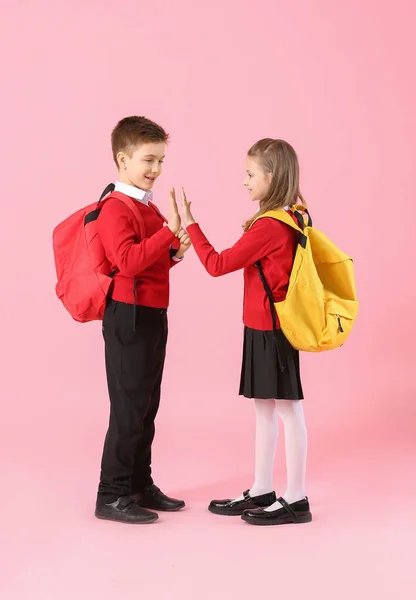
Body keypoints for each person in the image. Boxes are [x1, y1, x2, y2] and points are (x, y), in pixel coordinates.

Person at [178, 138, 312, 526]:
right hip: (263, 326)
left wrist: (190, 223)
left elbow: (218, 264)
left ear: (272, 176)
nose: (244, 181)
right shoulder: (293, 214)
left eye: (250, 174)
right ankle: (262, 488)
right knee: (265, 408)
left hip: (273, 328)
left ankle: (297, 497)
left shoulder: (271, 225)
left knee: (287, 409)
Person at [94, 116, 191, 524]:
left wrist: (173, 253)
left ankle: (138, 483)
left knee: (146, 405)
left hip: (151, 313)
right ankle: (110, 494)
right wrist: (169, 233)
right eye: (148, 160)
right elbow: (128, 262)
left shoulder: (144, 205)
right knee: (128, 407)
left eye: (161, 161)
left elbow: (149, 263)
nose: (156, 169)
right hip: (128, 316)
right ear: (123, 158)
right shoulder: (115, 207)